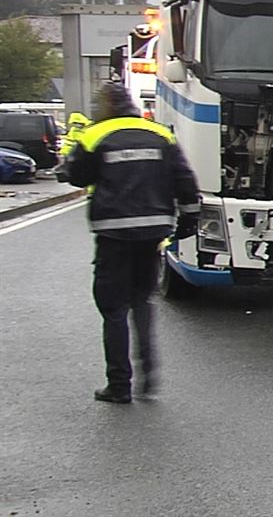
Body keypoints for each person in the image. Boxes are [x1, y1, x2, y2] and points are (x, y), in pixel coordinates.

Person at [65, 82, 201, 404]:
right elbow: (186, 182)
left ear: (105, 107)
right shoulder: (160, 135)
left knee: (113, 309)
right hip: (153, 231)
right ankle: (149, 374)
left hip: (114, 233)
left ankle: (119, 385)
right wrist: (188, 222)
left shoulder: (94, 135)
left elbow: (77, 177)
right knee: (142, 300)